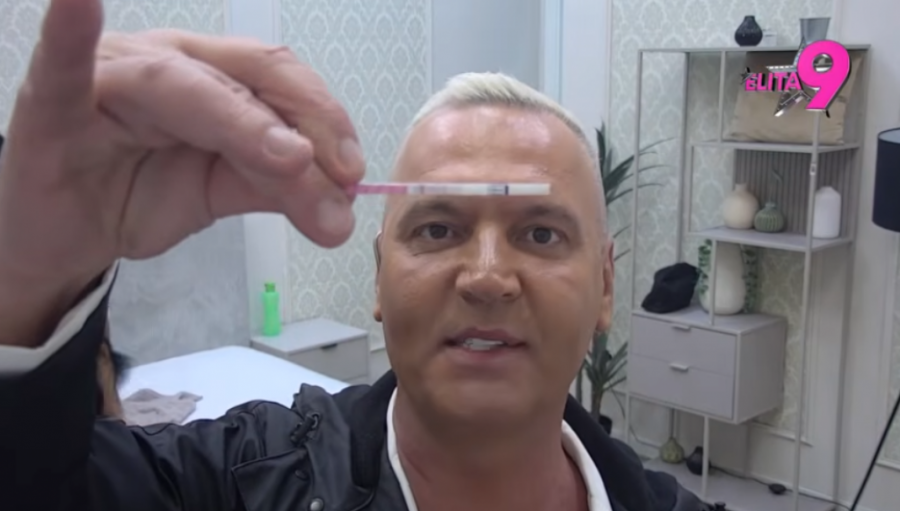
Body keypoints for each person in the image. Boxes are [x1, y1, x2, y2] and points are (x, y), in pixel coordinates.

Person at [0, 0, 705, 510]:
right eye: (438, 230)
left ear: (605, 285)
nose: (488, 276)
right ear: (378, 277)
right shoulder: (239, 480)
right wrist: (27, 283)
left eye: (541, 234)